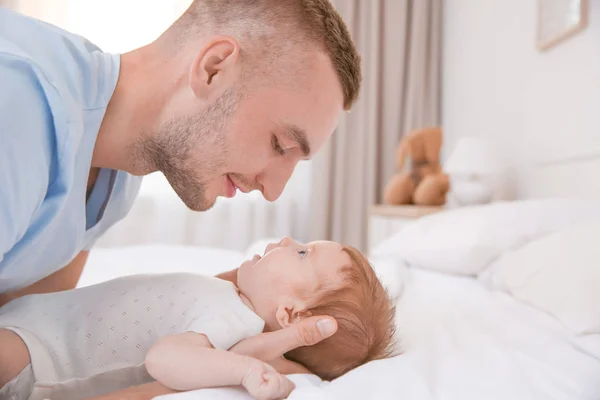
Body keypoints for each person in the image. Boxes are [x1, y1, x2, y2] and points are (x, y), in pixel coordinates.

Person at [0, 0, 362, 362]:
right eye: (279, 144)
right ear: (213, 69)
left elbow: (27, 332)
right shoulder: (18, 105)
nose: (274, 191)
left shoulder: (120, 179)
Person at [0, 237, 397, 400]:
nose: (288, 241)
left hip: (35, 355)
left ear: (290, 313)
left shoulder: (231, 322)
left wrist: (243, 370)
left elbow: (163, 360)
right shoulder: (233, 296)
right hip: (34, 323)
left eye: (302, 254)